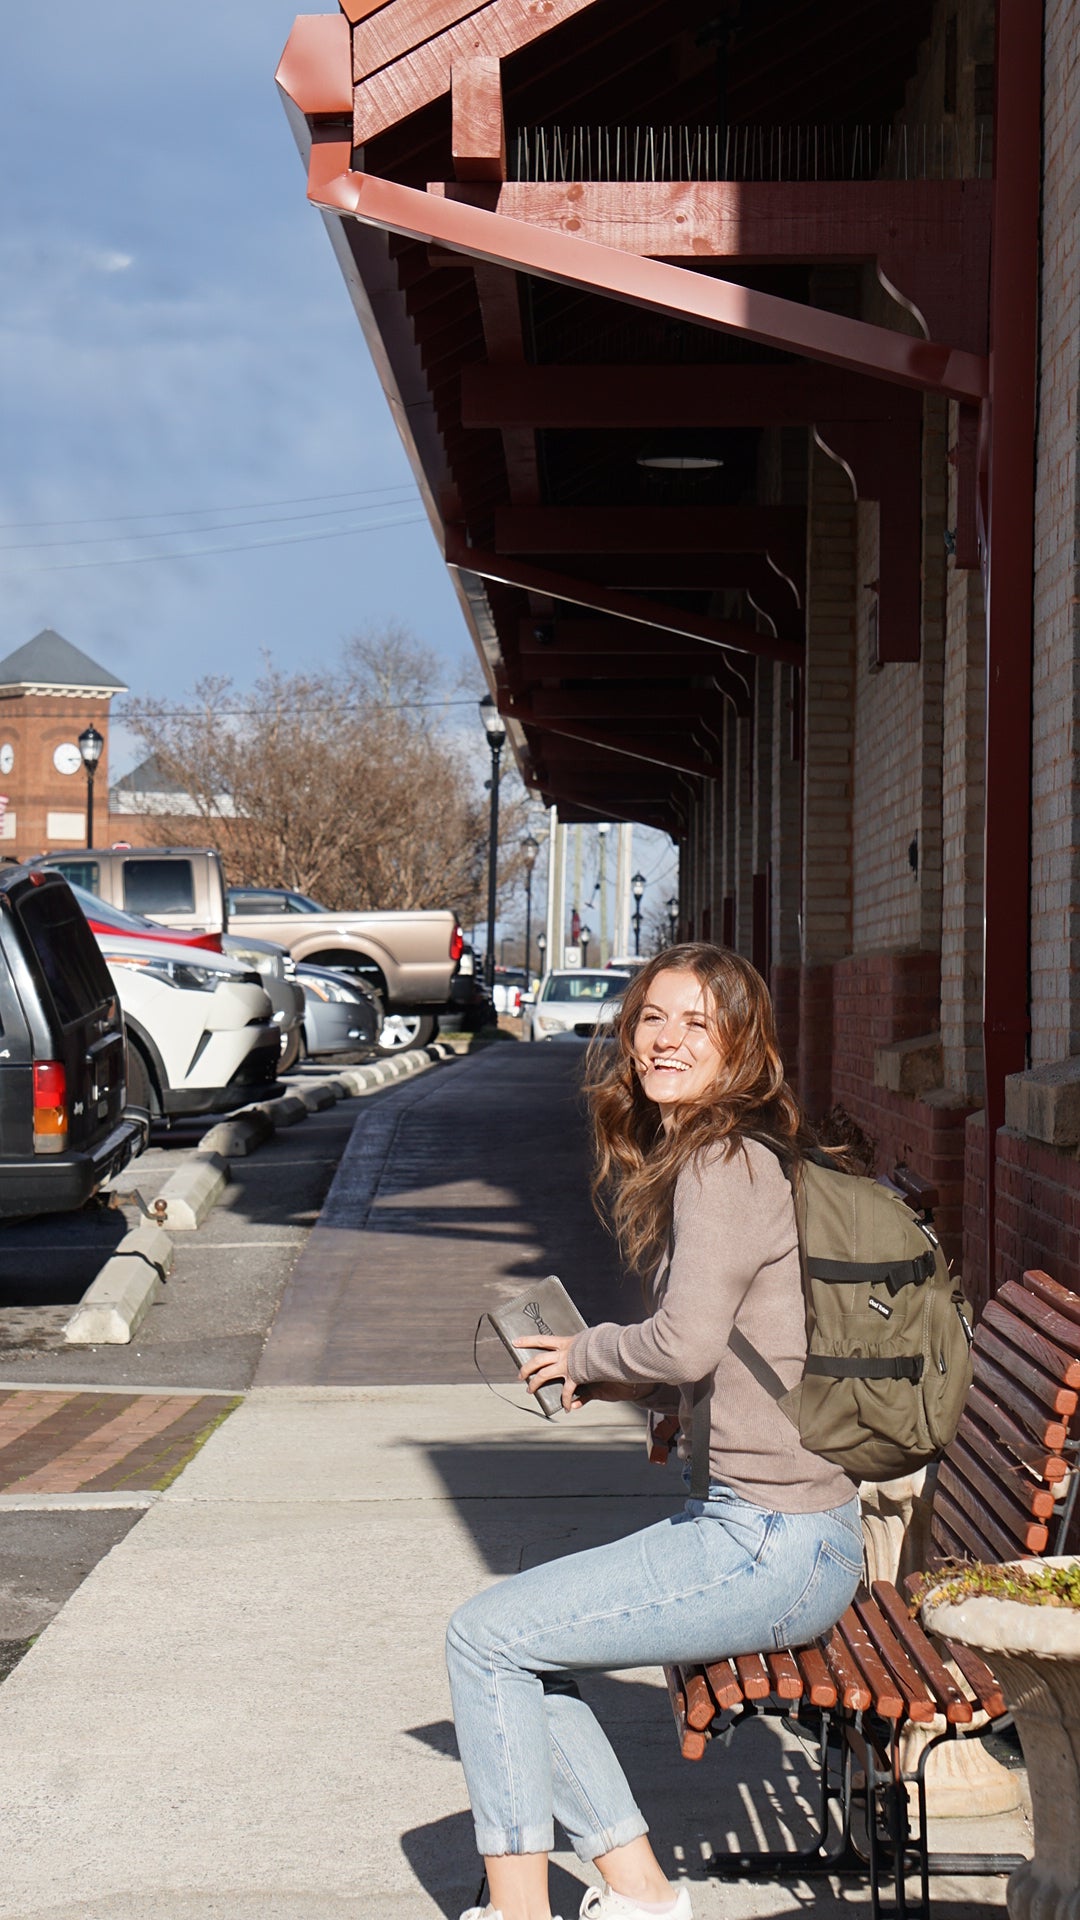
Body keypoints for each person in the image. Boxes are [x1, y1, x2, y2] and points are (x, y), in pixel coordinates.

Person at [447, 945, 865, 1920]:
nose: (667, 1041)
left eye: (696, 1024)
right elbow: (735, 1345)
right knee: (514, 1642)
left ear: (741, 1046)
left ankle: (524, 1914)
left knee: (484, 1639)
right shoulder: (736, 1153)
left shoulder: (721, 1163)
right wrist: (658, 1403)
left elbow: (681, 1342)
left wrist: (588, 1356)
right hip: (779, 1531)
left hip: (771, 1543)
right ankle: (637, 1895)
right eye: (652, 1019)